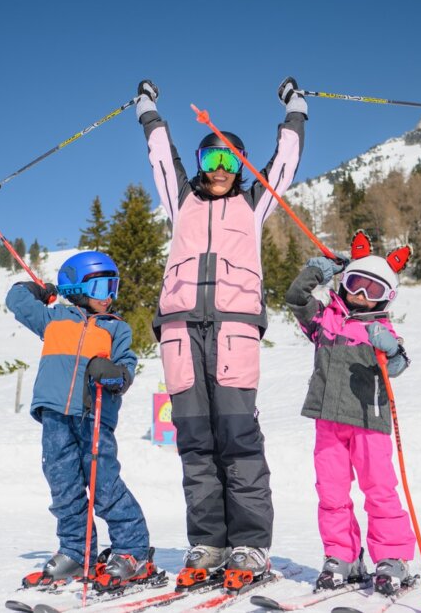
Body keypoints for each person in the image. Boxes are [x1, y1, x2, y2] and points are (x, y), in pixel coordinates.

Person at [133, 77, 307, 590]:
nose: (219, 173)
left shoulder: (253, 206)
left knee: (238, 440)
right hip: (181, 336)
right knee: (195, 443)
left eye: (230, 164)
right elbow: (161, 156)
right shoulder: (180, 203)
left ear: (241, 168)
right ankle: (208, 542)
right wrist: (148, 110)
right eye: (210, 162)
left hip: (234, 334)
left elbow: (285, 160)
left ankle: (250, 544)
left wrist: (295, 109)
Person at [5, 250, 157, 591]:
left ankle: (132, 551)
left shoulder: (116, 328)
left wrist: (114, 374)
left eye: (113, 288)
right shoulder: (53, 318)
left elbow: (127, 369)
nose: (110, 298)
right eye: (102, 288)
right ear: (75, 287)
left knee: (104, 485)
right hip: (55, 416)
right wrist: (41, 290)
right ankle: (77, 552)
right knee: (64, 488)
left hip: (94, 416)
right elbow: (16, 299)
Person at [284, 230, 416, 595]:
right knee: (331, 493)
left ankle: (393, 558)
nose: (360, 295)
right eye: (356, 283)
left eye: (372, 290)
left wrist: (390, 350)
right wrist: (317, 270)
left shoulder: (381, 329)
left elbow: (400, 365)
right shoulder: (325, 321)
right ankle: (342, 555)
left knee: (379, 490)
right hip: (328, 422)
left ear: (386, 297)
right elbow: (295, 298)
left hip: (368, 424)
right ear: (344, 283)